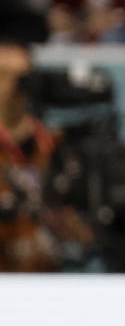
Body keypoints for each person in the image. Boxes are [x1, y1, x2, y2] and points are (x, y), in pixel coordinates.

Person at [0, 41, 92, 271]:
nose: (13, 86)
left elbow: (87, 235)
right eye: (2, 75)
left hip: (48, 281)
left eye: (22, 78)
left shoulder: (58, 143)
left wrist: (64, 221)